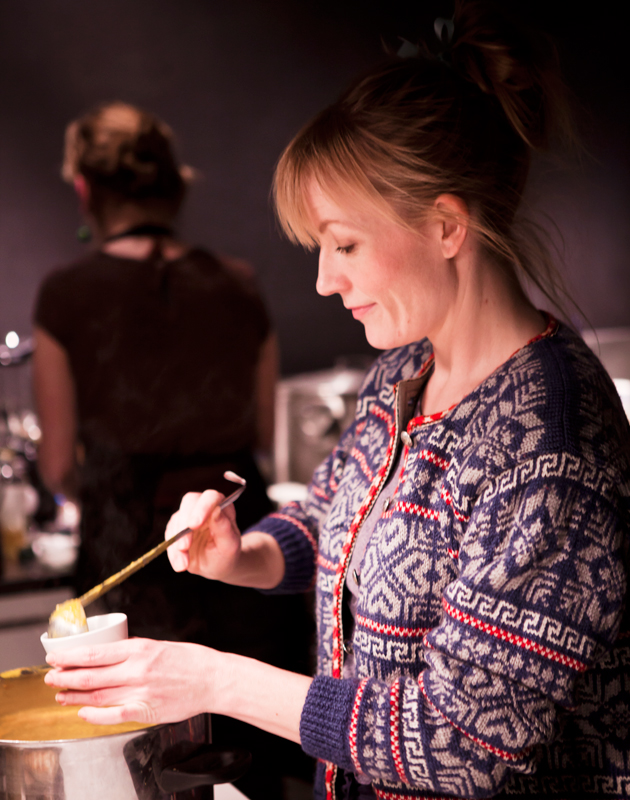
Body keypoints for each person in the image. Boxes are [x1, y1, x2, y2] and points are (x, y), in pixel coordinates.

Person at [43, 4, 630, 799]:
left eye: (344, 243)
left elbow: (460, 743)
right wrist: (242, 555)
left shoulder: (551, 446)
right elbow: (328, 522)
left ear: (446, 226)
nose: (324, 280)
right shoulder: (403, 374)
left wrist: (215, 680)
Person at [33, 101, 313, 799]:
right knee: (257, 765)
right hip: (241, 546)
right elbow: (263, 426)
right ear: (170, 186)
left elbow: (58, 463)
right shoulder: (238, 283)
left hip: (130, 560)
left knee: (142, 769)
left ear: (85, 190)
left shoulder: (66, 294)